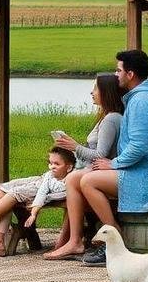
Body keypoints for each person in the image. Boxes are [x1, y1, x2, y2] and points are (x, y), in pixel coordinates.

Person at [44, 49, 148, 263]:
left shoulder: (142, 102)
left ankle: (114, 243)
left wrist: (113, 164)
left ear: (130, 74)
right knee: (74, 178)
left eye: (118, 70)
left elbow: (139, 147)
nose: (116, 76)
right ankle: (75, 241)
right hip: (143, 171)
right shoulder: (140, 98)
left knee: (89, 181)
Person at [49, 73, 126, 248]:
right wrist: (73, 147)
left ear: (106, 92)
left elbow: (101, 154)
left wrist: (75, 146)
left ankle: (82, 238)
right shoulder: (107, 117)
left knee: (74, 179)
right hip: (101, 170)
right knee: (73, 179)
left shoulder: (111, 118)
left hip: (105, 171)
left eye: (95, 89)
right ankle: (71, 239)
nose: (92, 93)